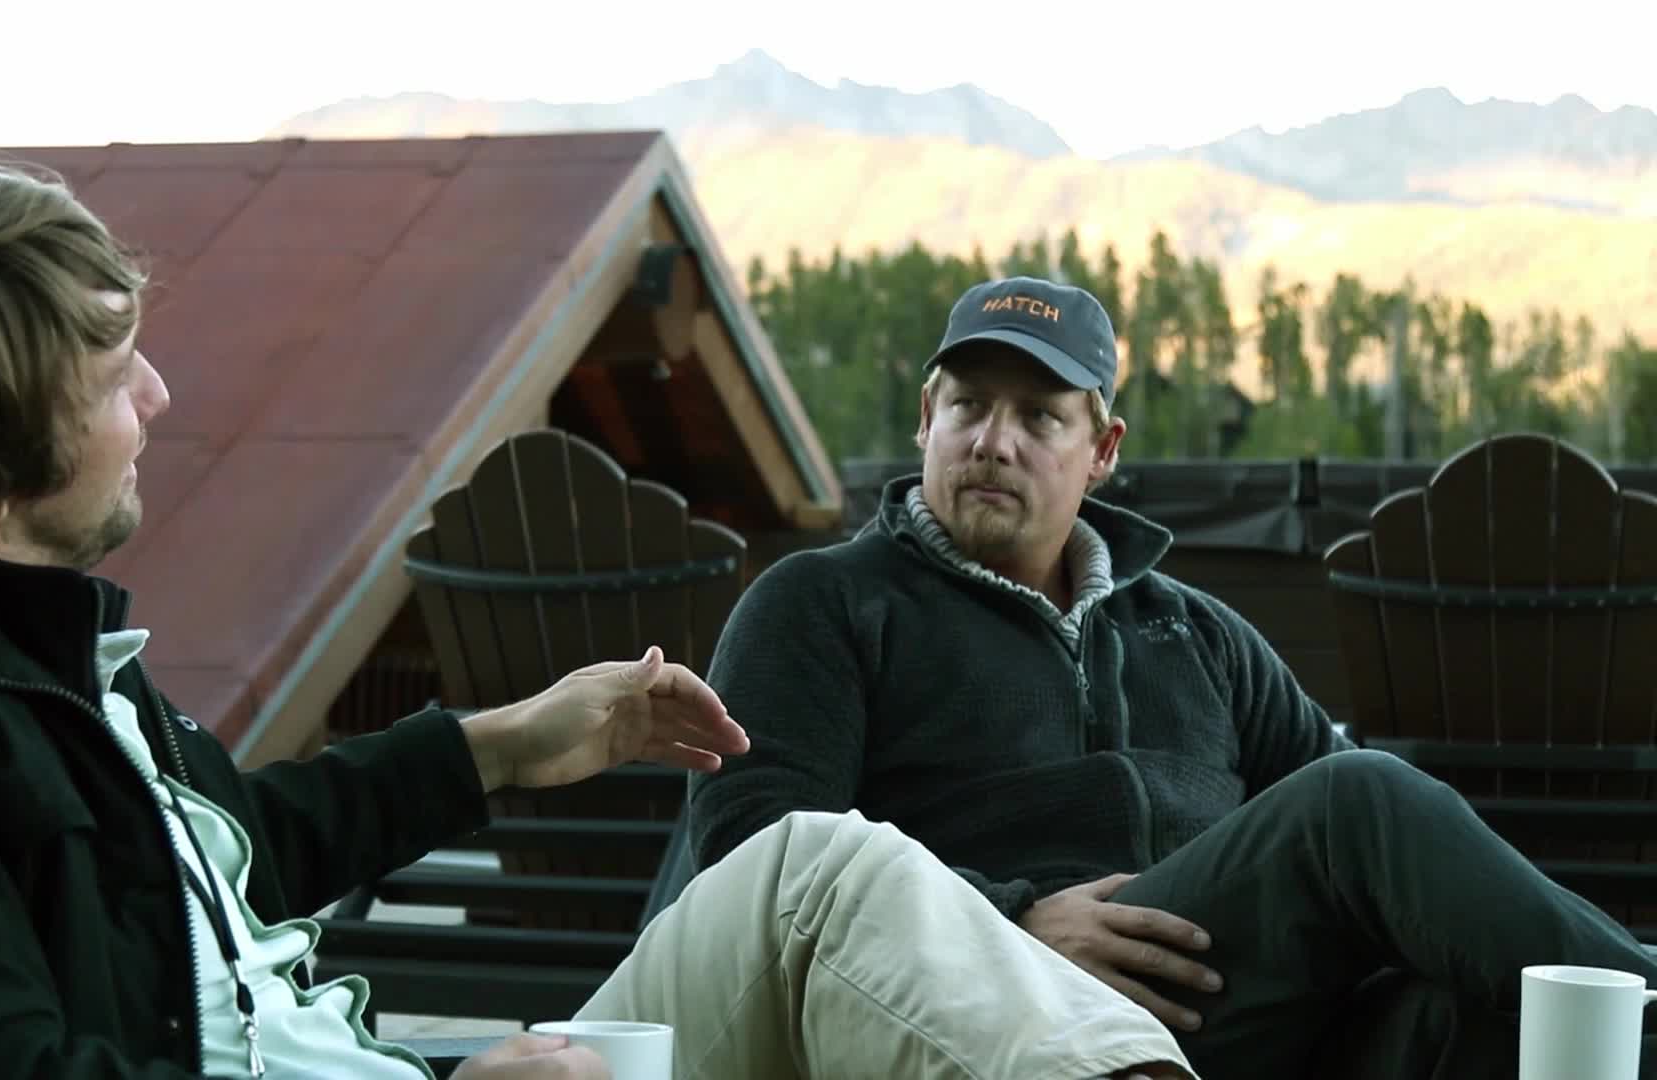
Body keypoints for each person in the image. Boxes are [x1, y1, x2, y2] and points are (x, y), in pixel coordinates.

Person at [0, 158, 1198, 1080]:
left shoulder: (29, 663)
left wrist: (510, 741)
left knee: (818, 871)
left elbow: (235, 850)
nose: (160, 399)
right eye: (112, 365)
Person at [686, 272, 1657, 1079]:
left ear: (1102, 452)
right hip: (989, 1018)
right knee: (1360, 795)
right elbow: (756, 859)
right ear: (926, 421)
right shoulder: (824, 602)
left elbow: (1341, 846)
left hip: (1219, 1024)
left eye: (1039, 416)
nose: (993, 440)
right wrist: (1011, 917)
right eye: (968, 405)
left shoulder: (1197, 634)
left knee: (1476, 1022)